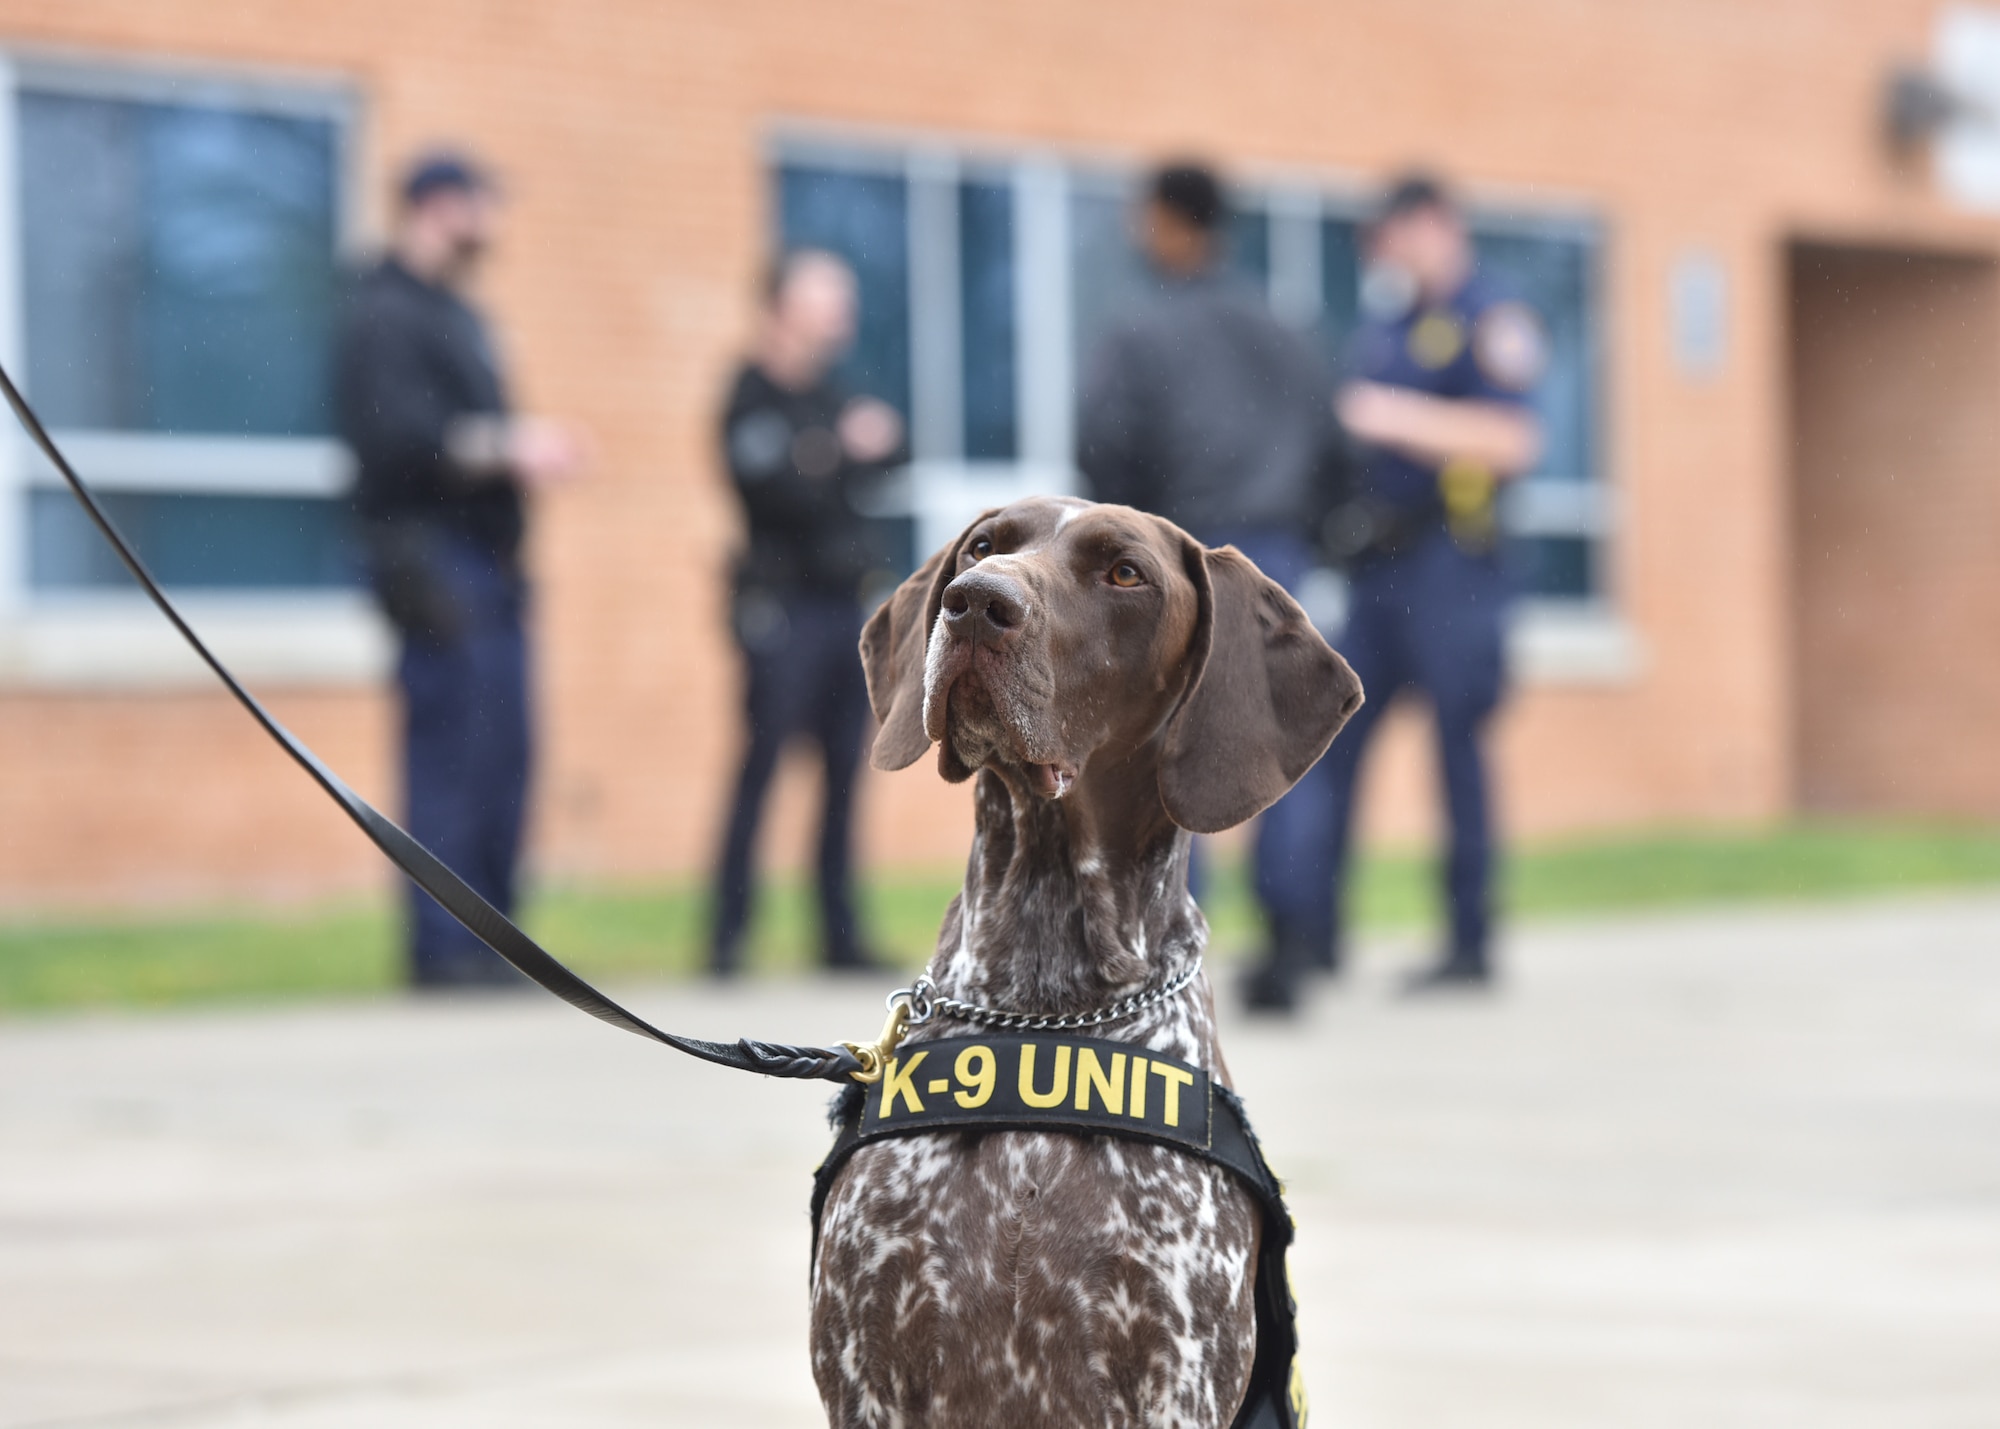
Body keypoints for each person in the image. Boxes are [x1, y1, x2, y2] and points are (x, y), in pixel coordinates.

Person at [1075, 160, 1351, 1010]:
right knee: (1275, 744)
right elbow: (1339, 455)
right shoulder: (1287, 331)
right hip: (1275, 561)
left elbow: (1101, 453)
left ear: (1169, 221)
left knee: (1169, 745)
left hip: (1178, 562)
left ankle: (1170, 938)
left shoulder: (1141, 335)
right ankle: (1297, 939)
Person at [1289, 171, 1547, 999]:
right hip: (1378, 570)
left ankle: (1468, 942)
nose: (1384, 255)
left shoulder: (1490, 317)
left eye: (1392, 237)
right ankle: (1314, 934)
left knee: (1458, 753)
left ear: (1432, 223)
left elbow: (1512, 441)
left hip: (1455, 568)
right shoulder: (1388, 324)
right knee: (1333, 740)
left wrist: (1392, 417)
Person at [336, 152, 586, 989]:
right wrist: (511, 446)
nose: (491, 226)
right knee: (449, 758)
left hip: (490, 565)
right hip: (435, 566)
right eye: (481, 206)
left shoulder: (456, 314)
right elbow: (399, 442)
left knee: (504, 755)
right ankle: (441, 955)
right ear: (438, 207)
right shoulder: (383, 313)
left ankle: (492, 948)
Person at [710, 249, 905, 976]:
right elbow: (772, 487)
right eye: (827, 298)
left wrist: (828, 455)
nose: (841, 314)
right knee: (759, 769)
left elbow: (891, 455)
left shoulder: (833, 396)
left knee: (843, 778)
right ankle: (726, 938)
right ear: (781, 307)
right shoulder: (750, 395)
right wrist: (834, 454)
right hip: (781, 611)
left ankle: (840, 935)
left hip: (843, 612)